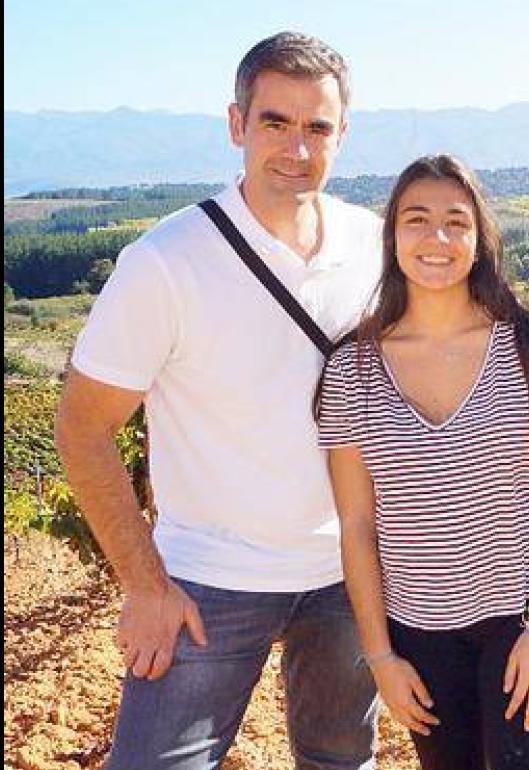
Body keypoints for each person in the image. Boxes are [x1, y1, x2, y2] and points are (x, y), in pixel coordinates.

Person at [53, 32, 382, 770]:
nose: (297, 148)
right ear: (237, 124)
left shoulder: (375, 244)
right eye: (275, 122)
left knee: (341, 762)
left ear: (343, 136)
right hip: (205, 583)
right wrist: (145, 586)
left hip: (344, 577)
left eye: (317, 127)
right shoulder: (164, 264)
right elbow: (81, 426)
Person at [316, 154, 529, 770]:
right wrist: (381, 658)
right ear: (392, 237)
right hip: (417, 634)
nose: (436, 238)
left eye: (455, 222)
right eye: (417, 219)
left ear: (478, 239)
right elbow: (356, 524)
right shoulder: (351, 370)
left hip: (521, 621)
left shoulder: (527, 348)